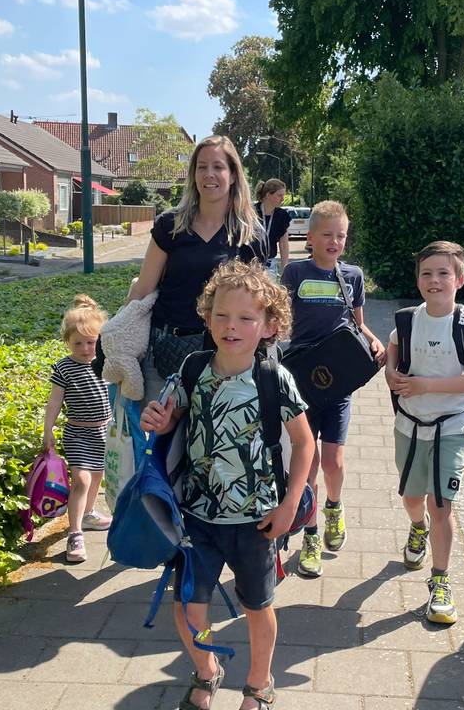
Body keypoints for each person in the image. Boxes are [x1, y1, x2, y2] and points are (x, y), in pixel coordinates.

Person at [140, 261, 313, 710]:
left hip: (258, 520)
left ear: (269, 326)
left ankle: (259, 682)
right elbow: (168, 413)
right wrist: (156, 419)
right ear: (207, 315)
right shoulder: (194, 368)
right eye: (220, 315)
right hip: (197, 516)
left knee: (258, 606)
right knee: (188, 607)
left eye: (244, 318)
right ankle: (206, 668)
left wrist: (291, 503)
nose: (230, 327)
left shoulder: (274, 379)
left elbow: (305, 442)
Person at [385, 241, 464, 625]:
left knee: (441, 503)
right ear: (418, 280)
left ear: (459, 280)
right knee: (414, 499)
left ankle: (440, 582)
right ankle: (418, 529)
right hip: (410, 426)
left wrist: (426, 386)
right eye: (427, 273)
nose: (435, 280)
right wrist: (391, 373)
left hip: (452, 425)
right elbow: (393, 350)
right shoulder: (408, 319)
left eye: (444, 273)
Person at [279, 200, 386, 577]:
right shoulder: (294, 273)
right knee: (305, 463)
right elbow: (278, 320)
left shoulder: (351, 275)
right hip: (302, 382)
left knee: (333, 460)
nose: (335, 241)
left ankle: (334, 509)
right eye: (327, 235)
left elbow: (359, 324)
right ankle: (309, 533)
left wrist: (375, 343)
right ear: (309, 238)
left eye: (341, 235)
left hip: (339, 381)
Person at [125, 135, 272, 404]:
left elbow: (260, 305)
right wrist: (117, 337)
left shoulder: (250, 235)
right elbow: (143, 288)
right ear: (193, 174)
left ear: (233, 174)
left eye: (218, 167)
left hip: (225, 357)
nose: (209, 174)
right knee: (160, 440)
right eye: (202, 167)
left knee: (211, 441)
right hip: (166, 352)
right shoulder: (170, 225)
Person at [43, 294, 113, 564]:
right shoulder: (64, 368)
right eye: (78, 343)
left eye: (91, 342)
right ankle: (75, 533)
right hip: (78, 432)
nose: (85, 348)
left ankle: (88, 514)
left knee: (96, 477)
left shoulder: (105, 363)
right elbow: (54, 402)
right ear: (67, 342)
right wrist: (48, 430)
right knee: (81, 479)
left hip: (104, 431)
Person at [253, 178, 291, 268]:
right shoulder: (251, 212)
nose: (282, 199)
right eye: (279, 195)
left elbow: (284, 245)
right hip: (250, 264)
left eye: (283, 195)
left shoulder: (282, 216)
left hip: (270, 265)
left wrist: (285, 268)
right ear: (268, 195)